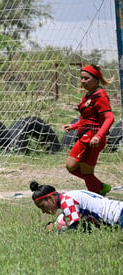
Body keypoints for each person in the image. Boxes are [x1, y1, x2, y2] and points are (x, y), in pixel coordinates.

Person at [63, 64, 114, 196]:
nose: (83, 81)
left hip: (92, 139)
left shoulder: (100, 95)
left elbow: (109, 118)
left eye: (86, 78)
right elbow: (87, 117)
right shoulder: (89, 94)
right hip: (84, 136)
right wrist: (74, 126)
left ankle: (98, 204)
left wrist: (98, 136)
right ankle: (100, 187)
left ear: (96, 79)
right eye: (81, 78)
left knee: (87, 172)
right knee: (71, 166)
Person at [30, 180, 123, 232]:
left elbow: (75, 229)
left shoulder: (66, 202)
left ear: (50, 198)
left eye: (42, 206)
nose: (43, 211)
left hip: (119, 216)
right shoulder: (69, 196)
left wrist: (56, 233)